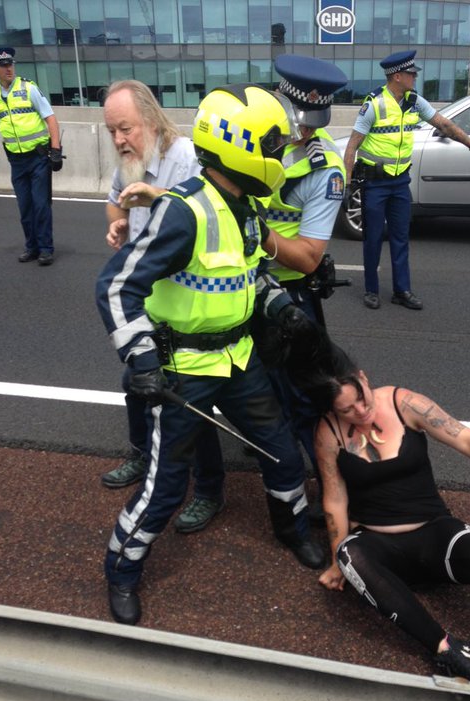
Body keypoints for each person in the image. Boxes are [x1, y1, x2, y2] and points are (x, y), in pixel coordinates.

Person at [96, 83, 326, 625]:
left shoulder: (245, 208)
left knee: (283, 456)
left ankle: (292, 531)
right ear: (240, 145)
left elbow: (250, 273)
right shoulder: (184, 212)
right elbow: (114, 286)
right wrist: (143, 362)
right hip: (183, 370)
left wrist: (279, 308)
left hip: (240, 361)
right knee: (165, 488)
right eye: (271, 146)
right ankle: (121, 572)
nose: (279, 155)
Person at [174, 55, 348, 535]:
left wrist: (254, 231)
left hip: (286, 297)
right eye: (287, 124)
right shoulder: (243, 133)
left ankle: (322, 494)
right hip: (233, 289)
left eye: (301, 127)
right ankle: (220, 481)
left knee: (303, 400)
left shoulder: (324, 168)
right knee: (233, 389)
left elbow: (310, 256)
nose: (293, 135)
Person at [305, 343, 470, 685]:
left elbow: (467, 439)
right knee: (349, 554)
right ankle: (449, 649)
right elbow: (335, 499)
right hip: (380, 548)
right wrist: (335, 561)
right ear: (332, 410)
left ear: (363, 378)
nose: (361, 410)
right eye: (347, 410)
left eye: (362, 398)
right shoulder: (327, 433)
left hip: (435, 534)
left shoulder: (405, 403)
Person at [100, 80, 201, 490]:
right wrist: (118, 223)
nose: (119, 140)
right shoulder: (129, 158)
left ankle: (202, 484)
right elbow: (113, 199)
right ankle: (143, 455)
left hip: (186, 298)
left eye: (126, 128)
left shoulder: (187, 157)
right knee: (135, 381)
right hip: (149, 299)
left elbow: (203, 214)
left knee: (187, 393)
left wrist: (156, 195)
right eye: (112, 132)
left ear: (152, 119)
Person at [343, 50, 470, 312]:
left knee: (401, 238)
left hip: (400, 182)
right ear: (397, 76)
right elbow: (351, 147)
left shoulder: (415, 102)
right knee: (372, 238)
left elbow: (444, 124)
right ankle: (371, 290)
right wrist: (347, 187)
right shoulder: (374, 105)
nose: (415, 77)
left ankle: (402, 290)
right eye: (411, 74)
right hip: (375, 184)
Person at [0, 47, 63, 267]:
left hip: (39, 158)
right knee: (25, 207)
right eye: (3, 65)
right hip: (16, 161)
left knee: (41, 205)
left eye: (11, 64)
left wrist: (55, 150)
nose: (8, 68)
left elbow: (50, 118)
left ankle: (46, 248)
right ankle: (32, 247)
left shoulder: (29, 89)